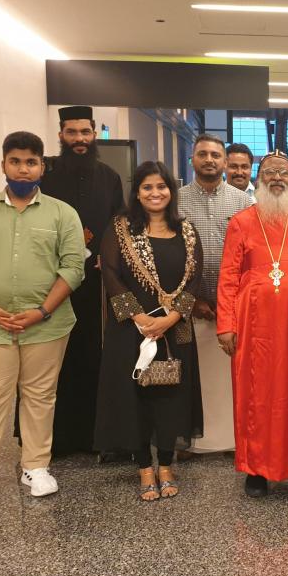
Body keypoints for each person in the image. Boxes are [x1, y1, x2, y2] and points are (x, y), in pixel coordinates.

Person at [0, 131, 85, 510]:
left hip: (47, 325)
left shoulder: (62, 213)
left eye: (31, 162)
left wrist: (41, 312)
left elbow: (73, 268)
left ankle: (35, 467)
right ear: (3, 165)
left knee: (40, 396)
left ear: (42, 167)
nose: (23, 169)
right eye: (16, 161)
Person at [217, 151, 288, 498]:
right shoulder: (241, 222)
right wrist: (226, 324)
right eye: (270, 172)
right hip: (255, 325)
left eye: (284, 172)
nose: (277, 177)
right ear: (259, 178)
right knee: (256, 395)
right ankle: (256, 469)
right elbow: (228, 276)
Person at [94, 161, 203, 501]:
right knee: (135, 398)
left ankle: (166, 465)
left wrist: (170, 318)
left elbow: (195, 279)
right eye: (147, 187)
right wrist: (140, 318)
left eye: (161, 186)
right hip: (131, 329)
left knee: (172, 397)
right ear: (137, 193)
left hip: (175, 330)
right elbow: (110, 274)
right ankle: (144, 467)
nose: (155, 193)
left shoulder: (187, 230)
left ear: (171, 190)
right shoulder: (120, 228)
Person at [38, 105, 124, 456]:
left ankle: (95, 437)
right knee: (56, 360)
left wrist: (110, 254)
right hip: (54, 283)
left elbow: (119, 225)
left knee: (95, 356)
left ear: (94, 133)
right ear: (61, 135)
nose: (79, 139)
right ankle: (57, 439)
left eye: (85, 132)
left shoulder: (110, 177)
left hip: (97, 285)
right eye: (72, 133)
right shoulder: (46, 176)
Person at [178, 134, 251, 453]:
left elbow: (250, 256)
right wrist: (191, 300)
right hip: (186, 305)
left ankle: (233, 439)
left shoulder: (243, 202)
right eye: (203, 154)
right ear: (192, 159)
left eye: (215, 155)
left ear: (224, 162)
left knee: (229, 377)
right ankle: (187, 439)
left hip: (232, 306)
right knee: (189, 372)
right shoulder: (175, 201)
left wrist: (230, 302)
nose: (209, 160)